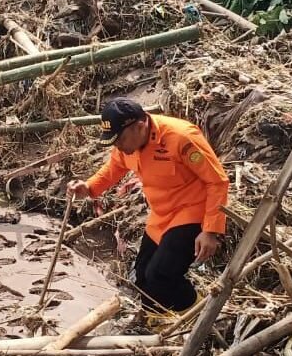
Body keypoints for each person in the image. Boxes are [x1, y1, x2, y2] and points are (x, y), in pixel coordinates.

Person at [67, 98, 229, 312]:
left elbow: (217, 181)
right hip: (162, 215)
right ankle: (159, 317)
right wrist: (88, 187)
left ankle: (196, 312)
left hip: (194, 212)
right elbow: (114, 167)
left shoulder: (182, 138)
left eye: (120, 140)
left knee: (160, 274)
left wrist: (210, 230)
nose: (118, 146)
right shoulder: (127, 146)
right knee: (142, 276)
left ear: (139, 126)